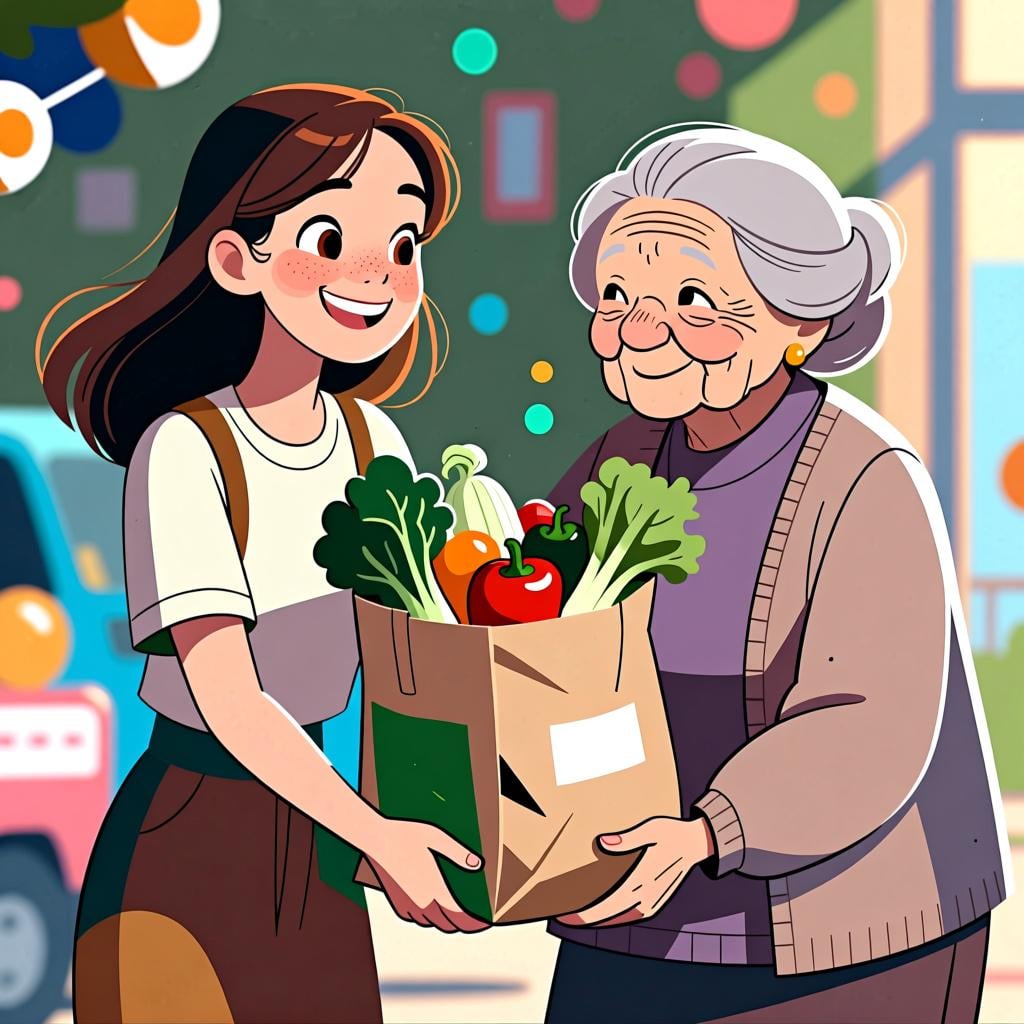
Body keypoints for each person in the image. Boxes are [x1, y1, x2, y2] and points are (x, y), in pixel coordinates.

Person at [37, 84, 487, 1024]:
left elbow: (404, 668)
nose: (375, 273)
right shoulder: (187, 448)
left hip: (322, 836)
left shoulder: (378, 445)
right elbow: (227, 692)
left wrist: (397, 817)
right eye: (330, 240)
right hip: (191, 828)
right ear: (239, 261)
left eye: (403, 246)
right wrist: (373, 829)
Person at [545, 124, 1012, 1024]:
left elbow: (870, 726)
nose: (638, 330)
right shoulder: (620, 456)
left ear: (799, 319)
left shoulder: (866, 475)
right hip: (633, 913)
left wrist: (707, 832)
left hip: (846, 940)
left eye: (688, 297)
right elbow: (538, 649)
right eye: (616, 294)